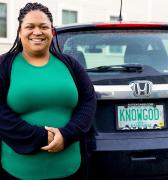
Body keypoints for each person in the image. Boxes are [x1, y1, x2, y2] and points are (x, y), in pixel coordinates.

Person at [0, 2, 96, 180]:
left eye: (44, 27)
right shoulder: (4, 66)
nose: (37, 32)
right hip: (17, 172)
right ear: (20, 32)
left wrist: (67, 135)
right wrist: (43, 137)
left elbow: (88, 101)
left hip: (70, 170)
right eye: (30, 27)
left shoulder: (71, 64)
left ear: (52, 32)